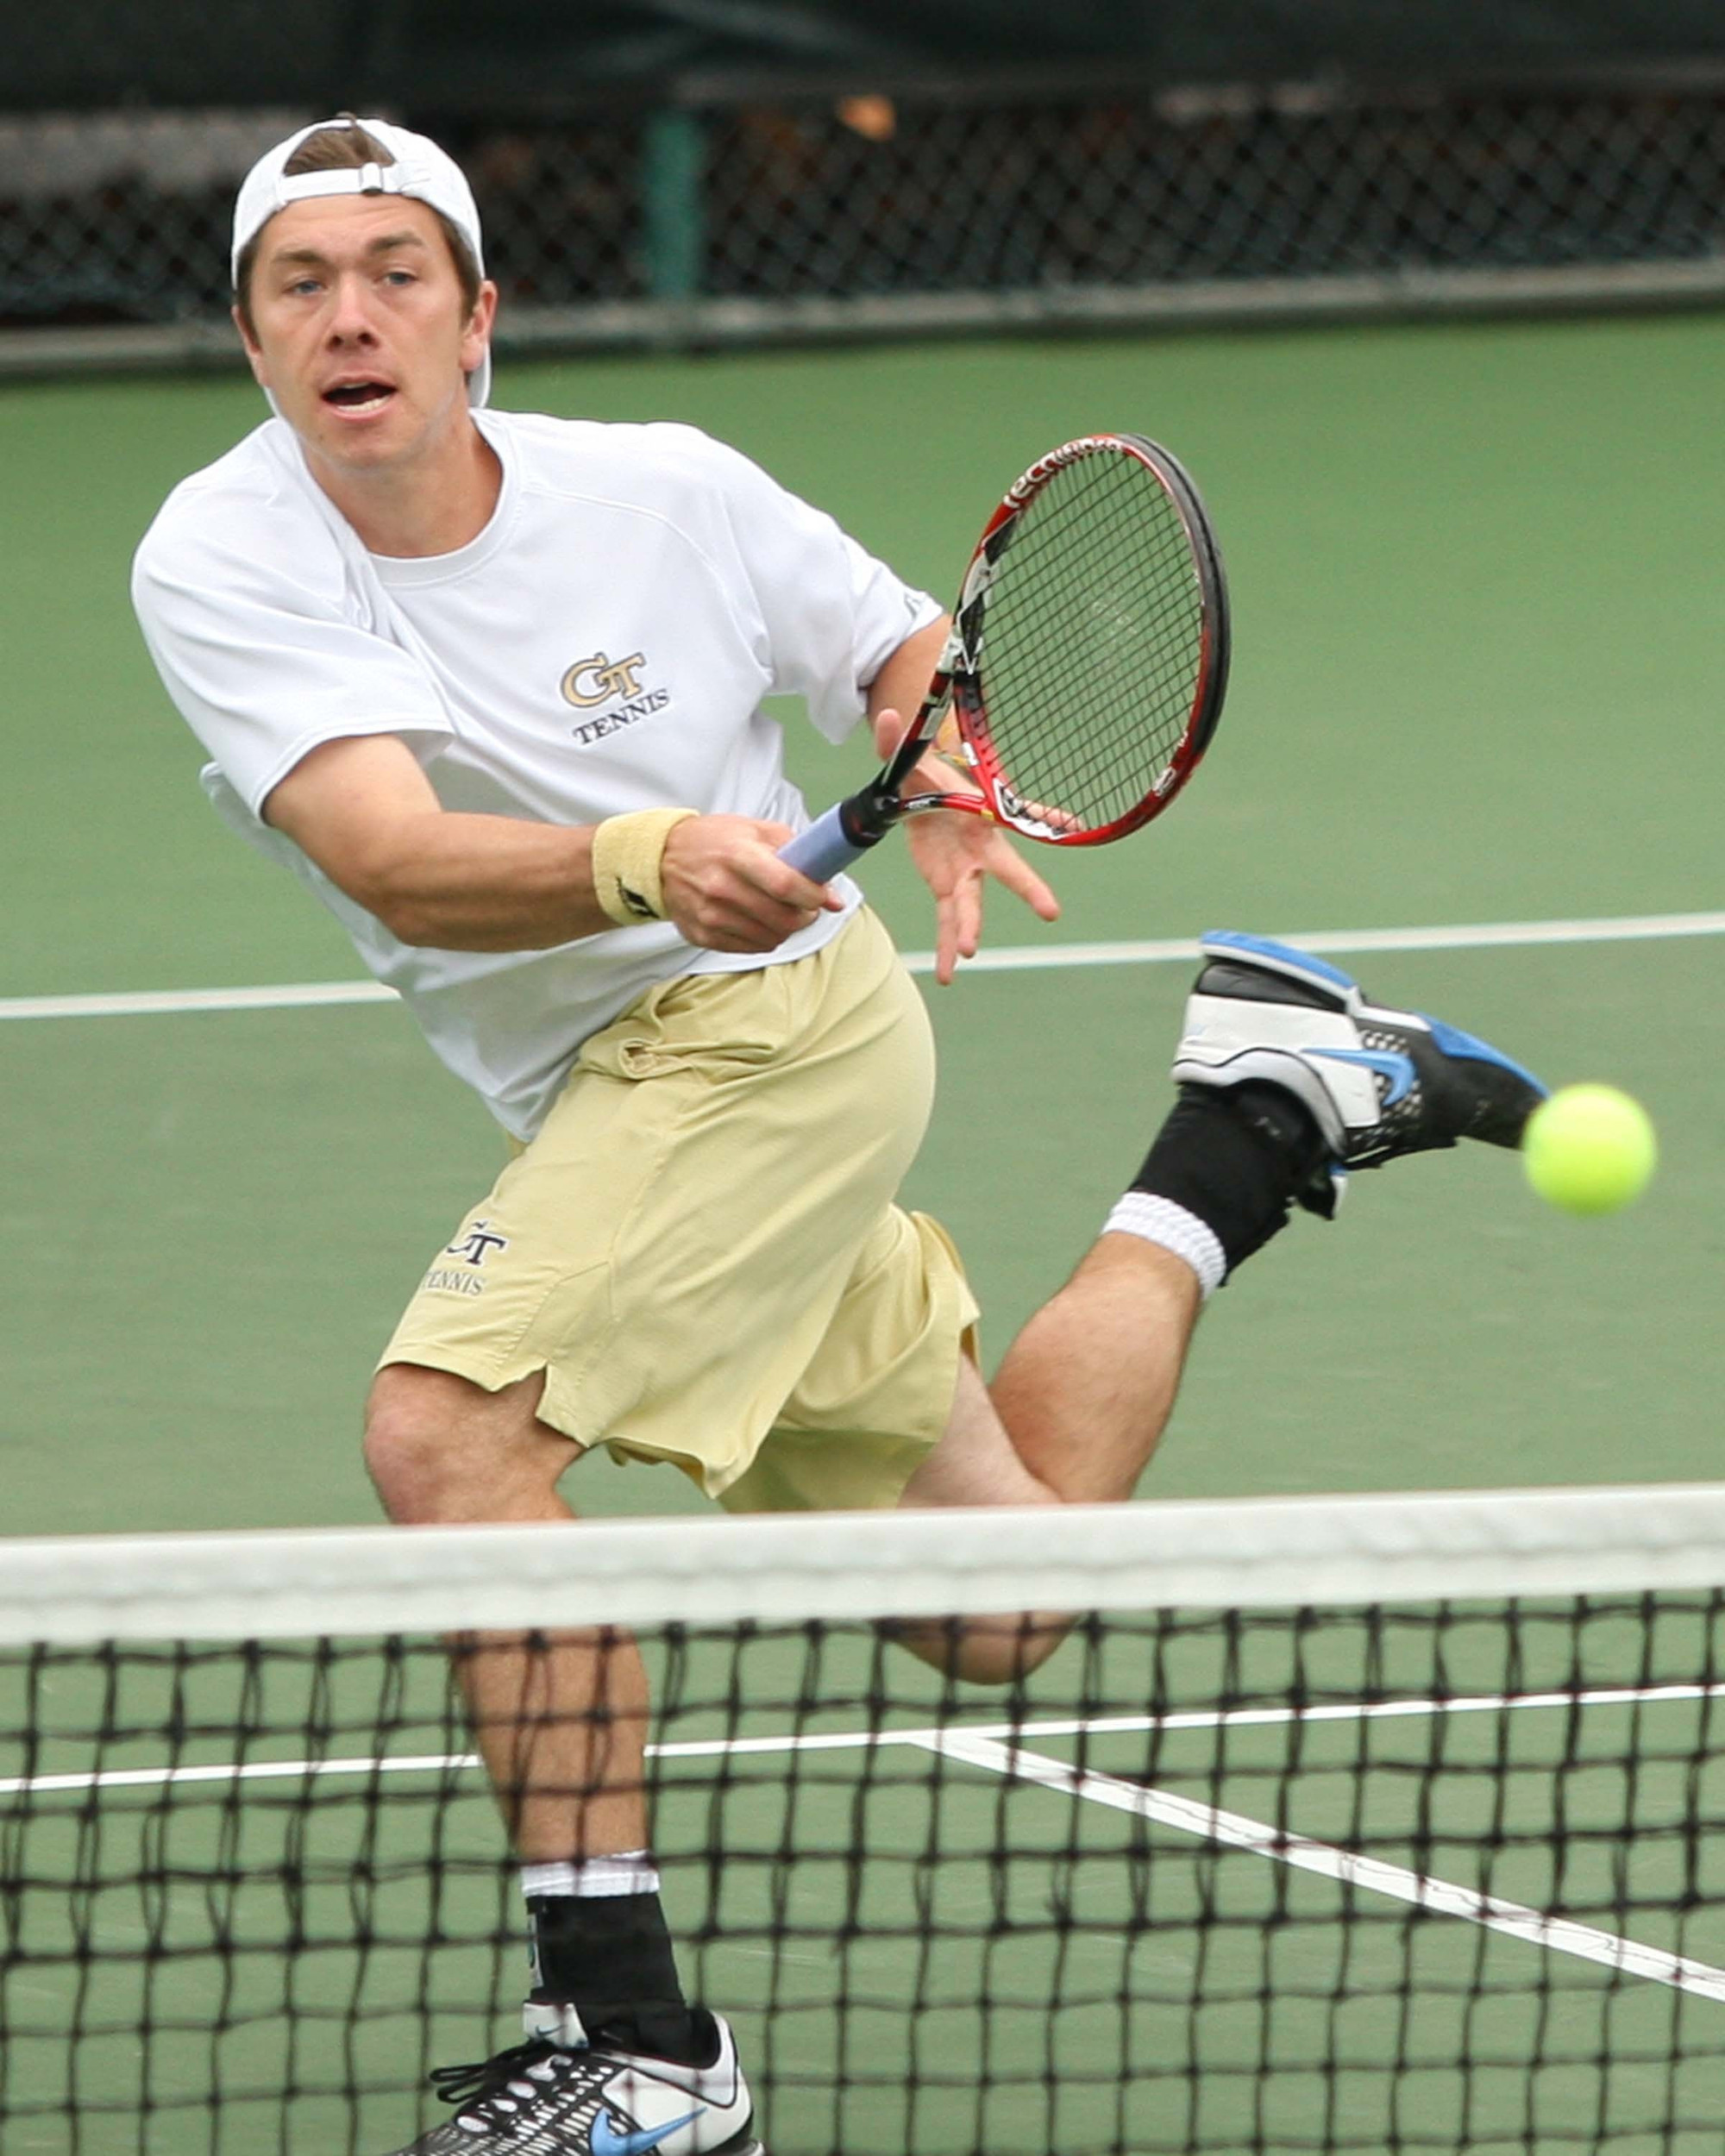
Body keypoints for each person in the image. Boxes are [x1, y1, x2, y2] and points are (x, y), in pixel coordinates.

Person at [130, 115, 1546, 2156]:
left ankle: (635, 2040)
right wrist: (650, 852)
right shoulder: (225, 548)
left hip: (769, 1044)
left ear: (476, 321)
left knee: (450, 1432)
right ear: (255, 338)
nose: (351, 318)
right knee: (1000, 1598)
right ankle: (1254, 1121)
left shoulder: (668, 492)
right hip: (613, 1076)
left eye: (395, 274)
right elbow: (397, 856)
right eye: (301, 286)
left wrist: (947, 769)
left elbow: (904, 658)